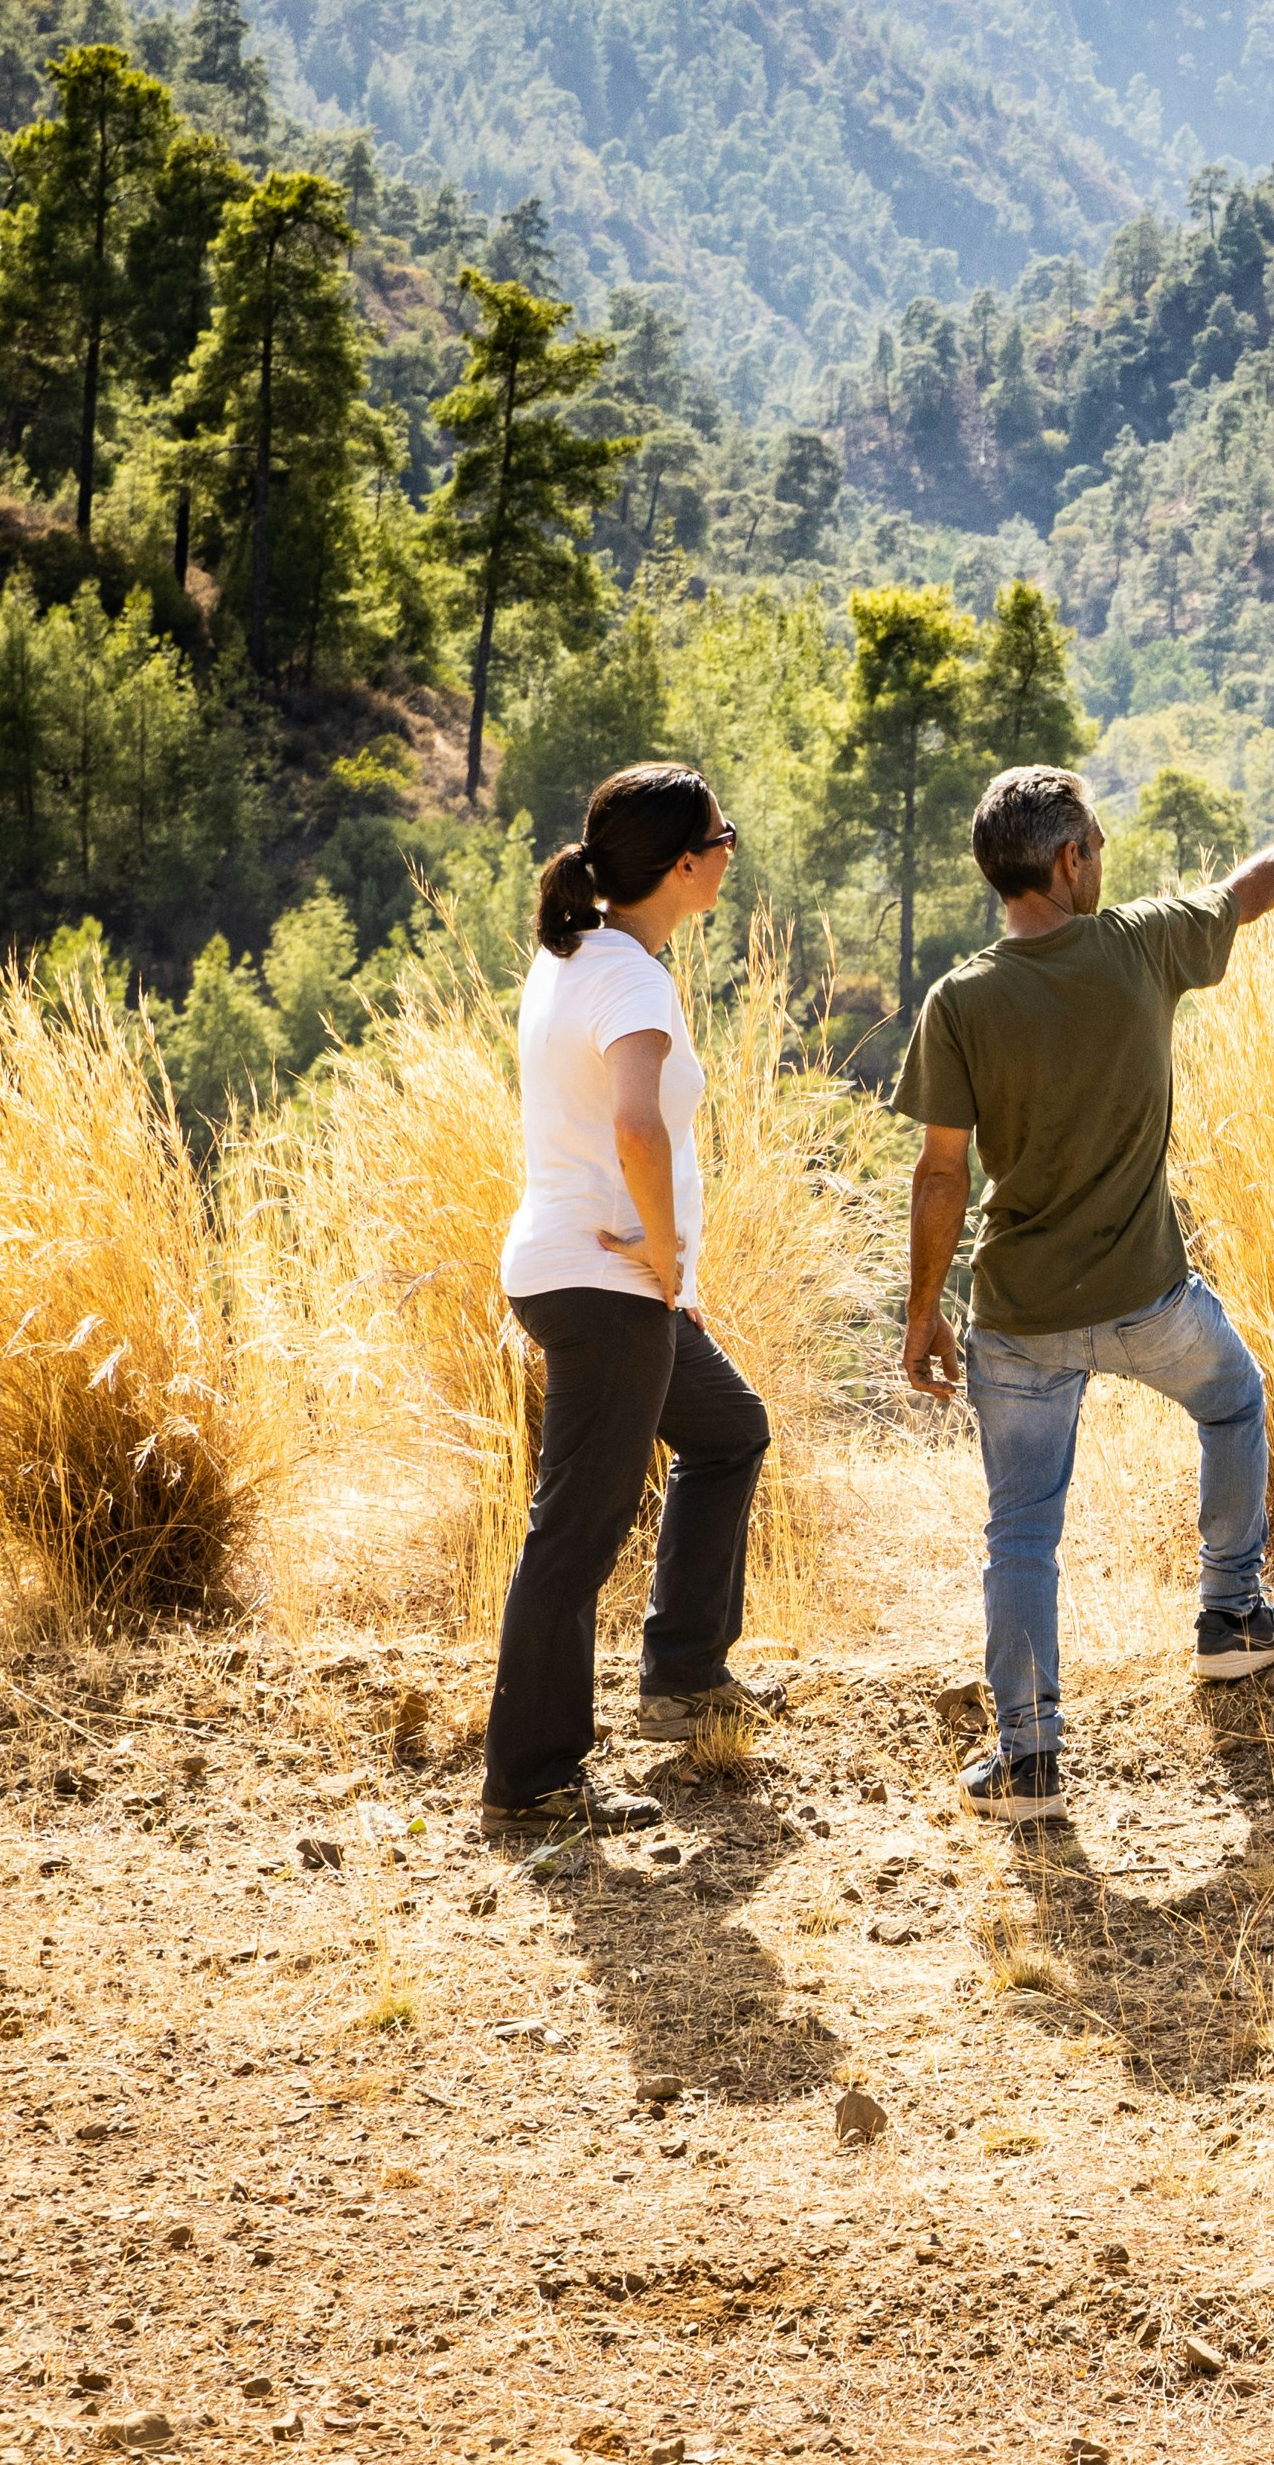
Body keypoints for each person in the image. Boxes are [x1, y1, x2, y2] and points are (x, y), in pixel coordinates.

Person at [895, 761, 1274, 1825]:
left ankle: (1027, 1760)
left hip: (1019, 1320)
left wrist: (923, 1310)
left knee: (1021, 1533)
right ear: (1069, 859)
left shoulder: (960, 999)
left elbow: (941, 1175)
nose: (1102, 866)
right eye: (1098, 849)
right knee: (1234, 1397)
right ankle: (1231, 1616)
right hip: (1148, 1302)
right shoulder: (1139, 947)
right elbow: (1252, 888)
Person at [482, 761, 781, 1832]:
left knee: (729, 1429)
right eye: (723, 837)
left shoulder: (575, 953)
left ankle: (684, 1680)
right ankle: (531, 1782)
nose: (731, 852)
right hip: (605, 1285)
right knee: (575, 1533)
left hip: (589, 1277)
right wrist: (661, 1251)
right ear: (683, 865)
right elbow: (635, 1126)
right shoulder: (634, 981)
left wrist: (670, 1280)